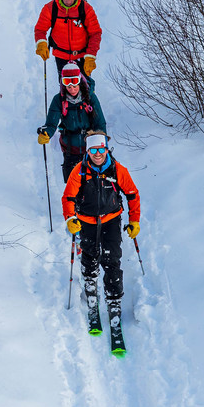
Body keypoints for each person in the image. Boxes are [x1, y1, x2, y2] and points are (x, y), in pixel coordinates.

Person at [62, 133, 141, 328]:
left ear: (107, 149)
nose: (98, 154)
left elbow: (132, 194)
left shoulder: (117, 170)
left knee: (112, 258)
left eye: (101, 149)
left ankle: (114, 301)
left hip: (111, 220)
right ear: (88, 151)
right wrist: (70, 218)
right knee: (90, 255)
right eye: (93, 150)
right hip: (86, 221)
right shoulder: (79, 171)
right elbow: (68, 198)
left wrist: (134, 221)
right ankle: (91, 287)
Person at [38, 61, 107, 180]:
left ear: (80, 81)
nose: (72, 89)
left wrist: (101, 144)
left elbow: (99, 122)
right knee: (73, 183)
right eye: (68, 86)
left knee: (92, 182)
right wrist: (46, 134)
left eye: (75, 85)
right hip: (70, 148)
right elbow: (51, 123)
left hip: (90, 148)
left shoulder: (90, 98)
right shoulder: (59, 100)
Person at [35, 0, 103, 87]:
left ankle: (89, 102)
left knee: (84, 86)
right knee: (67, 86)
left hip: (81, 55)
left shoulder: (85, 9)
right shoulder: (50, 8)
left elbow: (95, 33)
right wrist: (41, 43)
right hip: (61, 55)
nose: (68, 0)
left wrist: (90, 56)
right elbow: (40, 29)